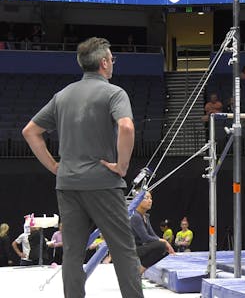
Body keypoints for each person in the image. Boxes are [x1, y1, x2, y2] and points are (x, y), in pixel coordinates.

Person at [21, 37, 143, 297]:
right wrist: (122, 166)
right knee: (123, 250)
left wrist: (55, 166)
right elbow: (126, 126)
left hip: (67, 183)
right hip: (103, 183)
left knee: (72, 254)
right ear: (103, 63)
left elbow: (30, 131)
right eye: (112, 59)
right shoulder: (114, 92)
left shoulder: (62, 95)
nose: (113, 63)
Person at [130, 192, 175, 273]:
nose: (150, 201)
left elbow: (153, 235)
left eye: (150, 198)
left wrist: (163, 242)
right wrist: (164, 241)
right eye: (146, 198)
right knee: (161, 245)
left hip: (140, 248)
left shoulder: (145, 216)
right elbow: (145, 238)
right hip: (132, 249)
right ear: (137, 200)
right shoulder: (135, 216)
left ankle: (142, 269)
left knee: (164, 248)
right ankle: (140, 271)